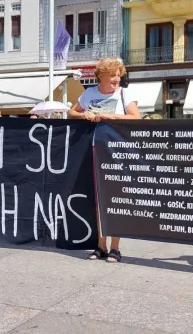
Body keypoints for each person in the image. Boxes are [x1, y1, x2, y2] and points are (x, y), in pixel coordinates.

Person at [69, 57, 141, 263]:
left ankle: (115, 248)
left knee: (115, 199)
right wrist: (85, 116)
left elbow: (136, 117)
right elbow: (71, 113)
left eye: (119, 75)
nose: (117, 79)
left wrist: (109, 116)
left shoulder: (125, 94)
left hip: (117, 153)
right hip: (93, 150)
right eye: (113, 76)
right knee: (99, 202)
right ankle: (100, 246)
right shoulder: (89, 93)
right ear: (101, 76)